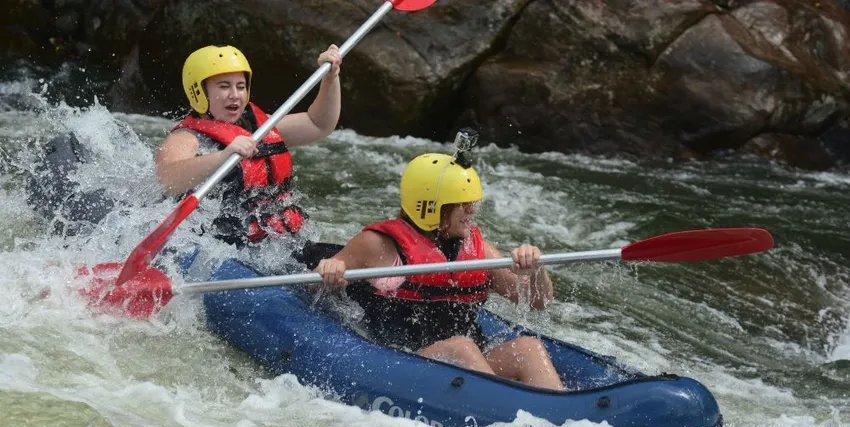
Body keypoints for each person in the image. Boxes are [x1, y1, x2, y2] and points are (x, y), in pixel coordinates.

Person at [315, 152, 565, 390]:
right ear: (431, 206)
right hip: (402, 361)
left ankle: (558, 417)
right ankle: (506, 410)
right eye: (462, 204)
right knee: (461, 348)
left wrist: (535, 271)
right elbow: (315, 288)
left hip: (469, 364)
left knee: (528, 348)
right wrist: (330, 272)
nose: (472, 210)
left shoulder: (479, 250)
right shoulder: (377, 245)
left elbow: (538, 301)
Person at [154, 44, 342, 247]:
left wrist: (330, 79)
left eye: (241, 86)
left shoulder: (262, 127)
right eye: (224, 86)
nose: (235, 94)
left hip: (280, 244)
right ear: (198, 91)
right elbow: (167, 179)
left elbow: (319, 124)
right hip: (225, 248)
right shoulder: (186, 138)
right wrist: (222, 156)